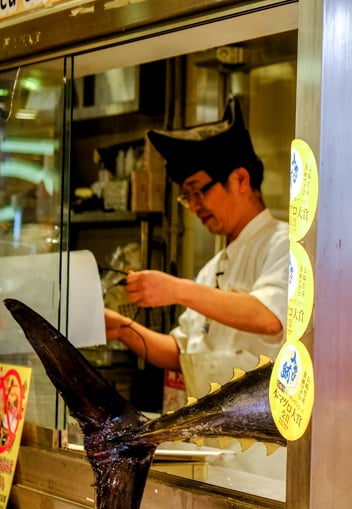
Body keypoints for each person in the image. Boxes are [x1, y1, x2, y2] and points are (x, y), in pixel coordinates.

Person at [104, 97, 289, 398]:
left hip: (262, 443)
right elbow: (182, 352)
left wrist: (177, 289)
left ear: (240, 179)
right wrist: (123, 328)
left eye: (198, 191)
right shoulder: (212, 268)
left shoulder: (286, 244)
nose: (193, 207)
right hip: (210, 438)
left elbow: (269, 317)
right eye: (187, 197)